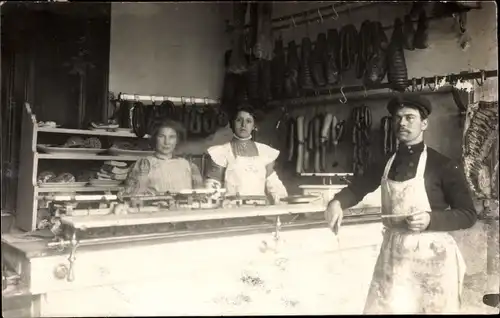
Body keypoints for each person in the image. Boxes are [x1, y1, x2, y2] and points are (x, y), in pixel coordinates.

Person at [325, 94, 477, 314]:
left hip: (432, 258)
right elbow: (357, 188)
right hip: (393, 255)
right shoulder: (385, 162)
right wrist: (337, 202)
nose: (402, 123)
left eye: (409, 118)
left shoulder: (443, 165)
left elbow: (468, 214)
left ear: (424, 123)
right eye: (398, 118)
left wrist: (431, 219)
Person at [204, 105, 288, 204]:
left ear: (254, 126)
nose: (243, 125)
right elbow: (213, 187)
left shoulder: (264, 152)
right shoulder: (222, 152)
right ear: (232, 123)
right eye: (239, 120)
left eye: (248, 121)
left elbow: (274, 184)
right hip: (232, 212)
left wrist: (284, 203)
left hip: (259, 211)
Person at [122, 119, 204, 195]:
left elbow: (200, 196)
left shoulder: (188, 165)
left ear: (177, 140)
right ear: (155, 138)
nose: (166, 142)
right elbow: (133, 197)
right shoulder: (144, 164)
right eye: (161, 136)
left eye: (171, 137)